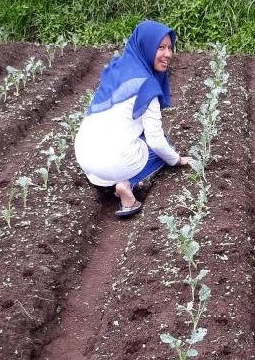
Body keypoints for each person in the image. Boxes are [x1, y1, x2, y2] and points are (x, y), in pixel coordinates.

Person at [74, 20, 192, 218]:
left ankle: (110, 182)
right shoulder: (147, 86)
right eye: (160, 47)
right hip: (113, 161)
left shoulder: (116, 69)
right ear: (146, 47)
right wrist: (177, 160)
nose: (168, 54)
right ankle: (127, 185)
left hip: (85, 155)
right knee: (163, 146)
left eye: (170, 48)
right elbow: (155, 140)